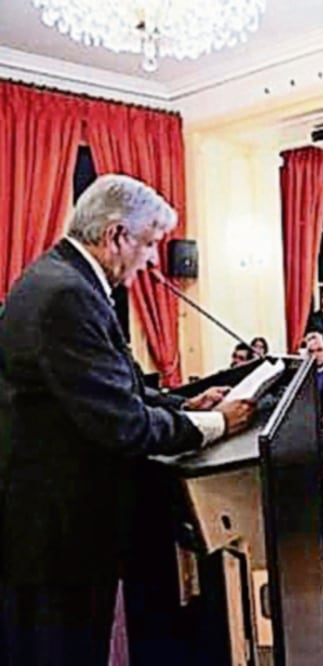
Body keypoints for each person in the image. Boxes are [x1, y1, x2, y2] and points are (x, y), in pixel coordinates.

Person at [0, 174, 255, 666]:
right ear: (116, 235)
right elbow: (122, 424)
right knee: (62, 649)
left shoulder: (56, 279)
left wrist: (182, 407)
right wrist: (220, 424)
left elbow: (114, 387)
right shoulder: (66, 295)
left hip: (46, 521)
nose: (154, 258)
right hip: (58, 532)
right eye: (150, 242)